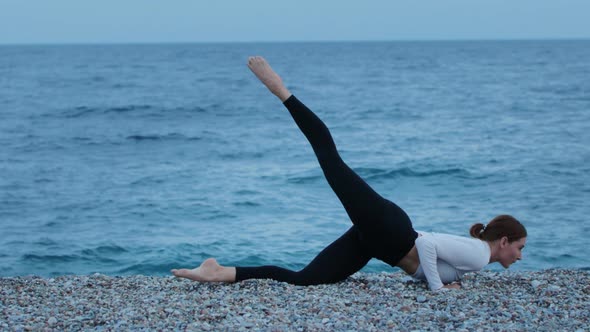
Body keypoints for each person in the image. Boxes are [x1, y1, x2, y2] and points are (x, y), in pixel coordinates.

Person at [171, 56, 527, 291]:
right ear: (504, 242)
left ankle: (218, 271)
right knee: (330, 159)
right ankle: (280, 90)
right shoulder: (481, 255)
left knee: (305, 280)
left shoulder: (477, 260)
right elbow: (428, 244)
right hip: (388, 227)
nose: (520, 256)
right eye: (520, 248)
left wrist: (444, 281)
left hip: (377, 242)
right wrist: (438, 288)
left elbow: (431, 260)